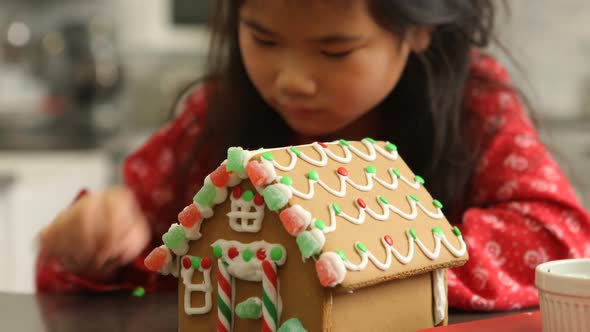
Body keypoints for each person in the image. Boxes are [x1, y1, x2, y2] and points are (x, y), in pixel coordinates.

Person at [37, 0, 590, 311]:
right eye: (263, 40)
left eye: (335, 50)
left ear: (418, 31)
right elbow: (126, 266)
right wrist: (92, 243)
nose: (291, 81)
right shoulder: (215, 117)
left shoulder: (475, 108)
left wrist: (366, 266)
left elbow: (554, 235)